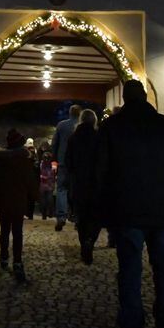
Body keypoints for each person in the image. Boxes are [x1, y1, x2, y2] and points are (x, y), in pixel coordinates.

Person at [95, 80, 164, 328]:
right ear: (146, 97)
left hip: (127, 210)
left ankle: (131, 324)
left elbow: (100, 172)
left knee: (129, 268)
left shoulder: (112, 127)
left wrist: (100, 208)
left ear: (125, 99)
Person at [0, 128, 39, 283]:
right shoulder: (24, 159)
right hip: (18, 200)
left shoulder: (1, 157)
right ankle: (17, 262)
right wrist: (35, 195)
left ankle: (4, 257)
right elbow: (30, 180)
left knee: (4, 230)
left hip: (3, 198)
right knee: (17, 231)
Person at [64, 108, 101, 264]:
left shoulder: (74, 138)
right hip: (96, 183)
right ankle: (90, 241)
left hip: (79, 183)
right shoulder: (98, 137)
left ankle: (83, 242)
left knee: (82, 217)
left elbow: (68, 161)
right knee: (96, 216)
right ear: (94, 121)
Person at [50, 104, 82, 231]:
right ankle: (77, 217)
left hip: (63, 162)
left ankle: (61, 217)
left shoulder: (61, 125)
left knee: (62, 190)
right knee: (78, 191)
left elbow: (55, 144)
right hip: (79, 164)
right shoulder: (82, 126)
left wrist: (54, 160)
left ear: (70, 113)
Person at [37, 146, 57, 220]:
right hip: (50, 183)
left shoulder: (41, 163)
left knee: (43, 199)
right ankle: (51, 212)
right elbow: (55, 172)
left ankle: (44, 214)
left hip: (43, 183)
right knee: (49, 198)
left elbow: (40, 170)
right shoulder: (54, 163)